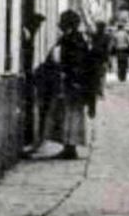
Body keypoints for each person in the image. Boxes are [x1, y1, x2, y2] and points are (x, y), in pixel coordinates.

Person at [43, 10, 94, 159]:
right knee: (71, 115)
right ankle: (69, 146)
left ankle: (70, 148)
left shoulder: (71, 40)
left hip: (71, 84)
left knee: (70, 115)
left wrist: (67, 74)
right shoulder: (77, 39)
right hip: (75, 84)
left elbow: (74, 62)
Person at [20, 12, 47, 151]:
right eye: (37, 24)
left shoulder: (30, 33)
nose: (38, 28)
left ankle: (29, 141)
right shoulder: (25, 33)